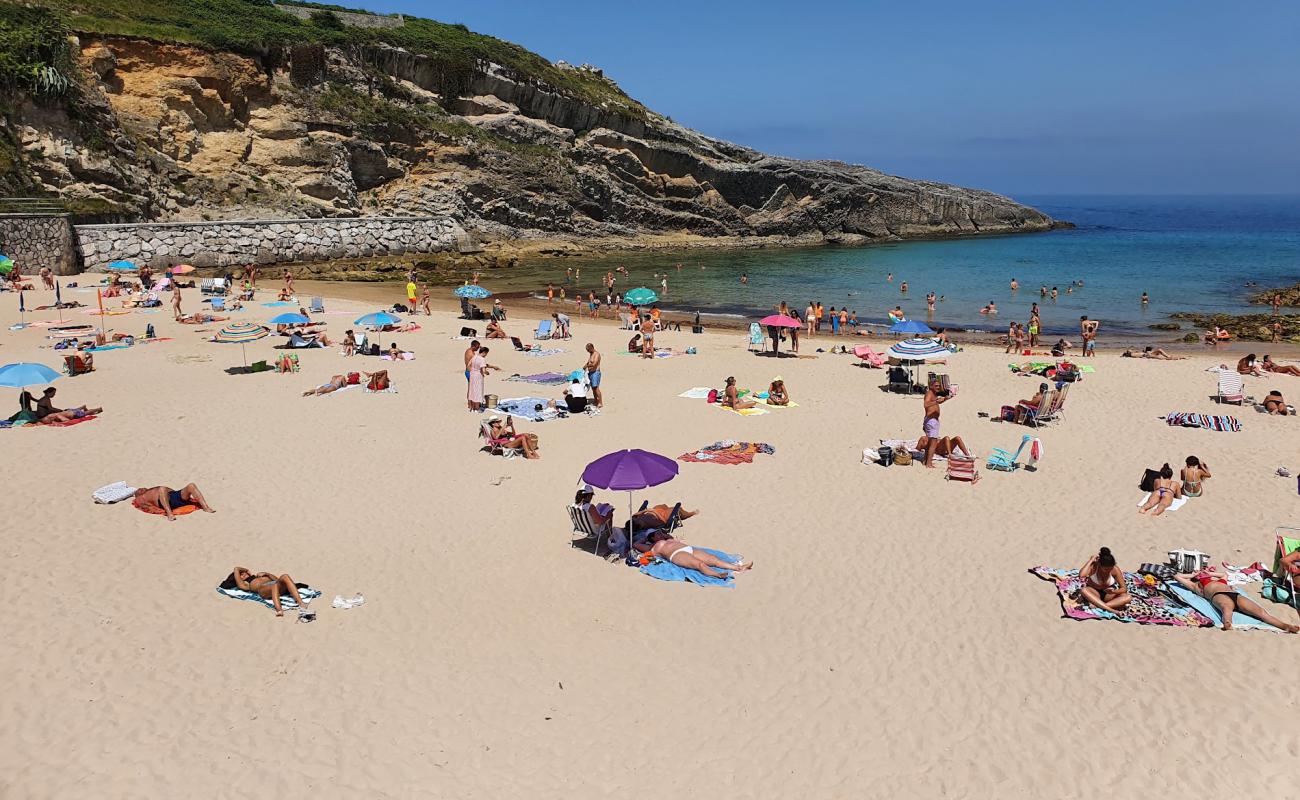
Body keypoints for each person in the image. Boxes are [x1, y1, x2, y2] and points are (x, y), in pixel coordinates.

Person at [1173, 567, 1299, 632]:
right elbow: (1177, 576)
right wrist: (1194, 575)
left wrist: (1209, 573)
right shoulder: (1197, 586)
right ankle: (1227, 623)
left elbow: (1224, 574)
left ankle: (1285, 626)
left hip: (1235, 595)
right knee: (1226, 609)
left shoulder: (1220, 580)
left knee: (1262, 613)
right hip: (1218, 595)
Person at [230, 567, 308, 618]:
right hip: (263, 590)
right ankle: (279, 610)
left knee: (285, 576)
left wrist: (267, 574)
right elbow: (236, 568)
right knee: (274, 585)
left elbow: (276, 580)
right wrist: (246, 570)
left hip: (276, 586)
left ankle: (300, 602)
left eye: (244, 573)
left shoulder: (258, 576)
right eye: (241, 575)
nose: (243, 574)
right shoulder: (245, 584)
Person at [1079, 547, 1132, 612]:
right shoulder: (1094, 567)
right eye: (1106, 569)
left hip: (1108, 595)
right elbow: (1081, 575)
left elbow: (1124, 588)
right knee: (1084, 590)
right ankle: (1112, 610)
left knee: (1128, 597)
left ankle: (1100, 606)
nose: (1108, 571)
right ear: (1099, 564)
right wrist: (1091, 560)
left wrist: (1113, 592)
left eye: (1111, 568)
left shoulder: (1115, 570)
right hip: (1094, 593)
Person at [133, 483, 215, 521]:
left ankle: (206, 507)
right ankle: (170, 513)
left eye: (141, 487)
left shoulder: (152, 489)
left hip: (173, 495)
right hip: (164, 502)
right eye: (139, 490)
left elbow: (168, 490)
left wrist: (171, 492)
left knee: (191, 486)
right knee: (162, 489)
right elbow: (143, 506)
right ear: (138, 494)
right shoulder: (142, 497)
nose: (141, 488)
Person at [33, 387, 102, 422]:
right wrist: (59, 410)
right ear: (49, 393)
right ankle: (91, 408)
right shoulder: (46, 399)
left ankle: (95, 408)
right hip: (69, 413)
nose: (54, 394)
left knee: (81, 412)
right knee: (80, 412)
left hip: (69, 413)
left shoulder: (43, 398)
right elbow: (51, 409)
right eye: (53, 393)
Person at [467, 344, 489, 412]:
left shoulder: (474, 356)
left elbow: (468, 365)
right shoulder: (482, 359)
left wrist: (472, 371)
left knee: (472, 390)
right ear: (484, 352)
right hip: (478, 376)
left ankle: (471, 406)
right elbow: (484, 370)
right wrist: (487, 372)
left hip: (472, 374)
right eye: (486, 353)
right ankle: (477, 407)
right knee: (478, 390)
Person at [584, 342, 602, 408]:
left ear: (592, 348)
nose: (588, 351)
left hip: (595, 372)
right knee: (593, 388)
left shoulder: (596, 354)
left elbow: (594, 363)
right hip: (591, 373)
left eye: (588, 350)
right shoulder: (591, 354)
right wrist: (584, 367)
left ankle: (600, 402)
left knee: (596, 388)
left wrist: (587, 366)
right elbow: (588, 362)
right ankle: (595, 400)